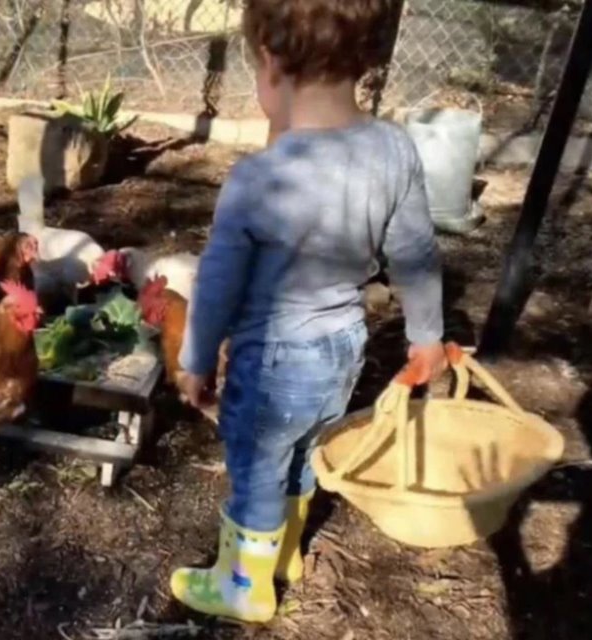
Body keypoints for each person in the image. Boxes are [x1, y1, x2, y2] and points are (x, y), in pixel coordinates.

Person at [171, 0, 448, 623]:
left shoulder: (260, 177)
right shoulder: (393, 149)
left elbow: (215, 284)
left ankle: (244, 587)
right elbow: (416, 253)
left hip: (274, 357)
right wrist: (426, 336)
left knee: (256, 468)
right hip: (345, 345)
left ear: (271, 63)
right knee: (304, 455)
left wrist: (194, 360)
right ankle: (284, 556)